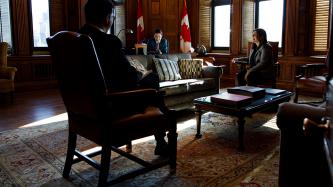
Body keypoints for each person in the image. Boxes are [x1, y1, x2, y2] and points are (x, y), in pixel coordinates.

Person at [79, 0, 167, 156]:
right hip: (112, 105)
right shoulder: (109, 41)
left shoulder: (76, 39)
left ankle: (161, 130)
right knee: (152, 79)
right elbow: (129, 78)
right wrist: (140, 73)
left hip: (82, 109)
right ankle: (161, 135)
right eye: (113, 16)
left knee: (149, 84)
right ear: (107, 18)